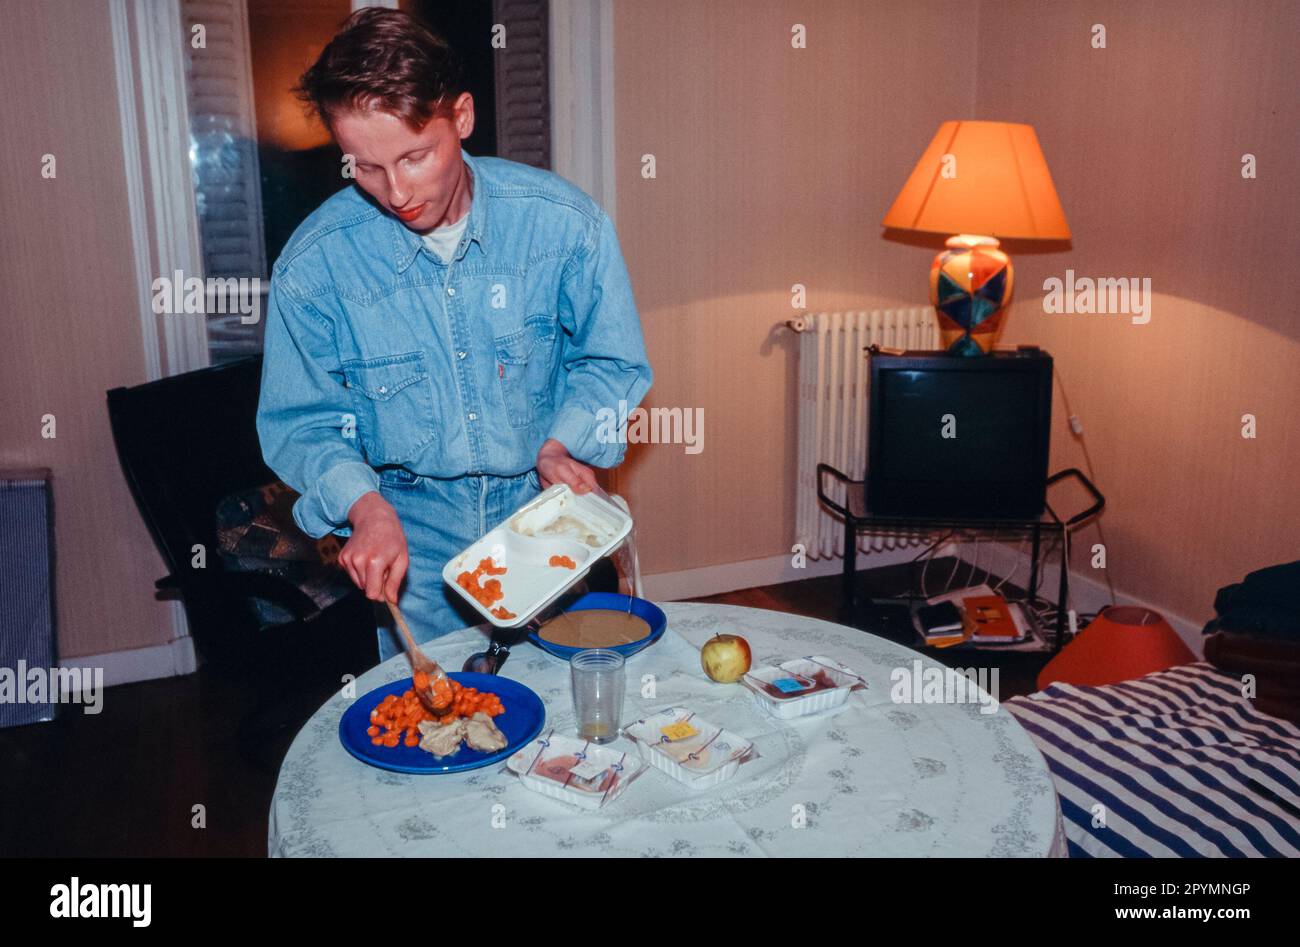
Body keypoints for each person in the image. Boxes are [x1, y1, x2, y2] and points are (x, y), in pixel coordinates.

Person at [256, 8, 652, 661]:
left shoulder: (565, 225)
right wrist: (364, 506)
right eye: (365, 167)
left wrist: (564, 443)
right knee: (444, 713)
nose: (397, 192)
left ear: (461, 117)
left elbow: (611, 361)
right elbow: (303, 423)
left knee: (562, 700)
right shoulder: (313, 266)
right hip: (411, 531)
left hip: (542, 513)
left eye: (416, 156)